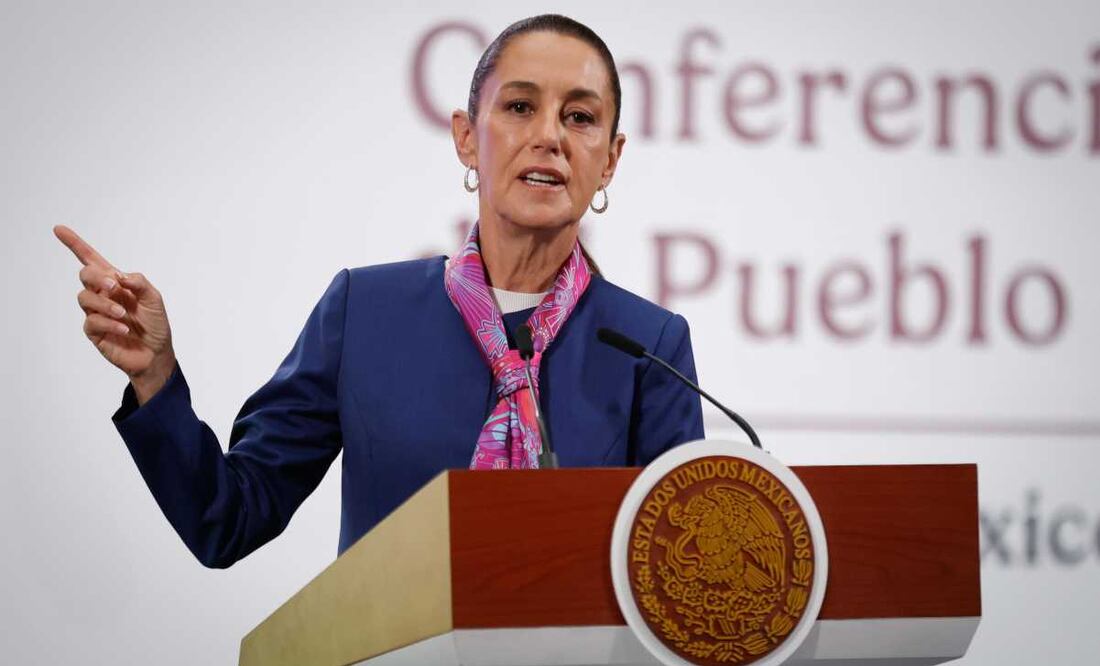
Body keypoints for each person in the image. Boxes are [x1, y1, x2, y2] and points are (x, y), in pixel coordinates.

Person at [54, 14, 705, 569]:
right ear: (465, 138)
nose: (550, 136)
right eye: (519, 107)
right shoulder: (364, 314)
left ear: (610, 159)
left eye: (580, 117)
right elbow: (227, 519)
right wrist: (157, 378)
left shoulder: (649, 345)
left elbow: (682, 574)